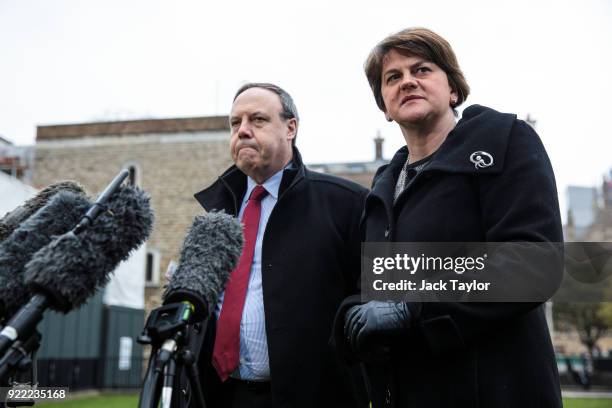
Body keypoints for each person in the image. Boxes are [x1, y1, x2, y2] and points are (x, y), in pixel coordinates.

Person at [334, 28, 563, 407]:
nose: (407, 81)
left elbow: (534, 262)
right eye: (392, 78)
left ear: (453, 89)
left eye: (421, 70)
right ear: (386, 108)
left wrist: (413, 305)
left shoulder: (505, 141)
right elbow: (376, 288)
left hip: (493, 389)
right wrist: (351, 317)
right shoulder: (383, 188)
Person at [193, 83, 368, 407]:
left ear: (291, 128)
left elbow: (376, 297)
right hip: (221, 395)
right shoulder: (215, 212)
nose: (242, 131)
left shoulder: (347, 203)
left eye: (257, 120)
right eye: (235, 123)